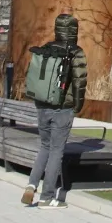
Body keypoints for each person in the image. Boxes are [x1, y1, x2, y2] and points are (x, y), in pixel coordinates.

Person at [23, 13, 88, 207]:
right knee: (56, 151)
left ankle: (32, 185)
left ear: (57, 28)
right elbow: (80, 81)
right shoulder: (76, 52)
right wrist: (77, 106)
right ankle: (47, 197)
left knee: (44, 147)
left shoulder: (47, 48)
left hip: (42, 105)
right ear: (74, 30)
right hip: (62, 108)